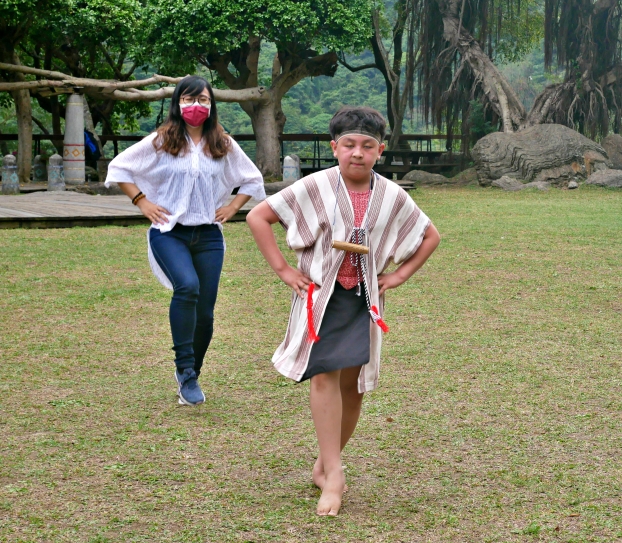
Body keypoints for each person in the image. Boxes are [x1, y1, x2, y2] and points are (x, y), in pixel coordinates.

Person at [246, 106, 441, 517]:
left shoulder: (391, 194)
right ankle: (334, 475)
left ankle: (325, 462)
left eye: (367, 146)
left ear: (380, 151)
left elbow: (429, 235)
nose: (358, 153)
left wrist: (399, 275)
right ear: (334, 147)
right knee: (325, 378)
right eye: (349, 144)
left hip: (362, 299)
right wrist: (283, 269)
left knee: (353, 386)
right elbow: (259, 216)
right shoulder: (315, 186)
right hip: (322, 296)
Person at [106, 76, 265, 406]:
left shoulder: (222, 143)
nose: (196, 106)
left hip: (208, 235)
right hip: (168, 232)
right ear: (177, 103)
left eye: (203, 100)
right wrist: (142, 201)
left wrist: (233, 206)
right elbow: (119, 167)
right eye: (189, 99)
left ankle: (190, 374)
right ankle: (187, 373)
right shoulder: (162, 140)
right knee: (187, 287)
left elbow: (252, 178)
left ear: (211, 105)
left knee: (205, 314)